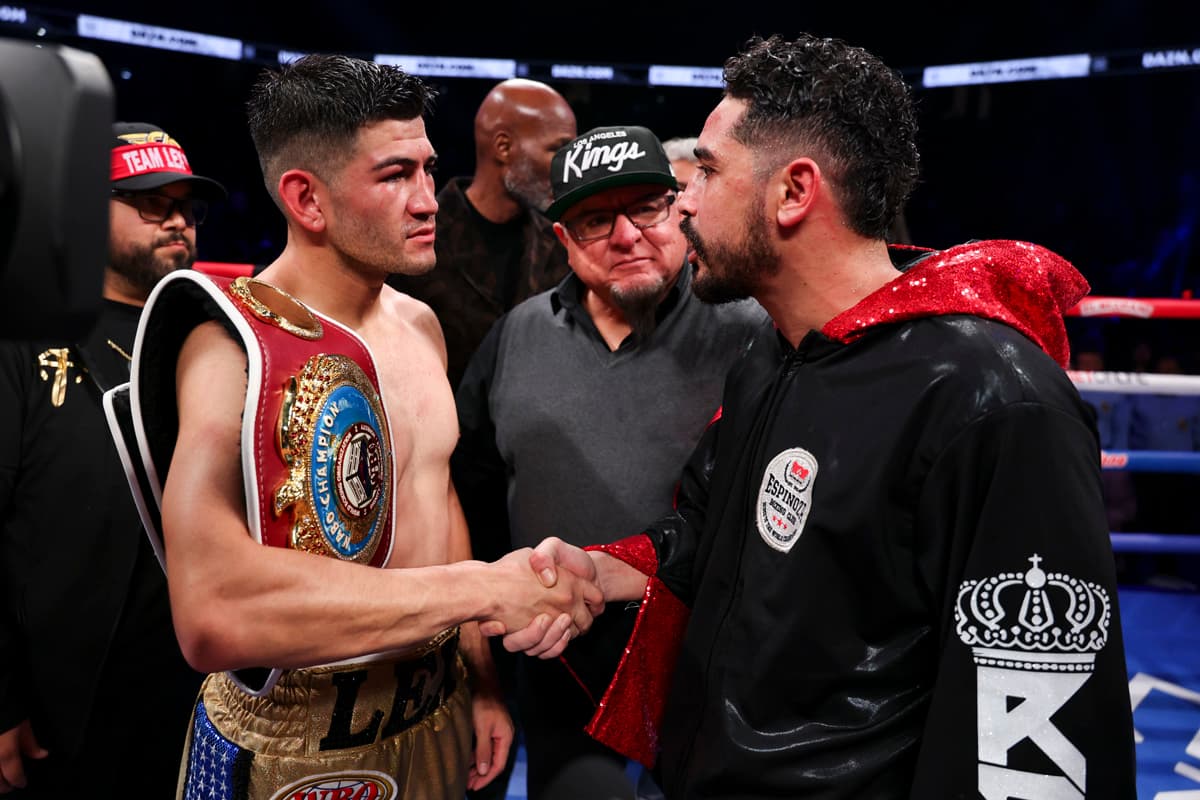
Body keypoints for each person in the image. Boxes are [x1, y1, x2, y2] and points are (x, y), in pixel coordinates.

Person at [505, 34, 1137, 798]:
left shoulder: (992, 398)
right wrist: (604, 571)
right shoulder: (776, 355)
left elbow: (1037, 731)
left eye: (706, 170)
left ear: (793, 192)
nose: (686, 201)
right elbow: (712, 535)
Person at [111, 55, 599, 799]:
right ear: (307, 199)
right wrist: (480, 590)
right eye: (394, 174)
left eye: (427, 169)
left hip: (438, 709)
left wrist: (483, 677)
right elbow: (211, 612)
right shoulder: (230, 349)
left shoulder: (421, 324)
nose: (428, 198)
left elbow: (434, 496)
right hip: (298, 741)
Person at [454, 125, 768, 800]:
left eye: (646, 209)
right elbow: (465, 501)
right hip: (559, 673)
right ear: (563, 240)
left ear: (679, 208)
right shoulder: (516, 336)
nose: (627, 236)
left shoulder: (754, 331)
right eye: (596, 221)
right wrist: (482, 680)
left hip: (711, 675)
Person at [0, 122, 222, 796]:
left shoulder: (214, 337)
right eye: (152, 202)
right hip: (57, 700)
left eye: (188, 205)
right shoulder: (22, 329)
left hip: (191, 689)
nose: (178, 220)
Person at [388, 78, 577, 390]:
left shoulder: (561, 244)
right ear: (503, 147)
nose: (567, 166)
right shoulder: (414, 236)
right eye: (557, 149)